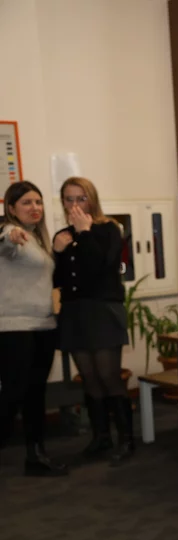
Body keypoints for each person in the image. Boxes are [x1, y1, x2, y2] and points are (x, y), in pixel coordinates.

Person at [52, 176, 133, 466]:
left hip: (102, 310)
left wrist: (84, 233)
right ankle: (101, 437)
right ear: (63, 203)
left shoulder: (108, 229)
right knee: (88, 377)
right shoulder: (62, 235)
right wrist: (57, 252)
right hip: (75, 313)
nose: (75, 204)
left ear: (92, 199)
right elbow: (59, 280)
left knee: (108, 375)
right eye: (69, 199)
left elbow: (103, 267)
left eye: (81, 198)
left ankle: (126, 439)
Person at [0, 181, 68, 476]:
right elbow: (5, 240)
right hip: (15, 327)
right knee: (13, 393)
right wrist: (9, 234)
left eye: (38, 202)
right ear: (11, 208)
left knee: (35, 394)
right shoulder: (12, 233)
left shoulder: (39, 240)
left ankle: (36, 456)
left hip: (43, 325)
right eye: (26, 202)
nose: (35, 207)